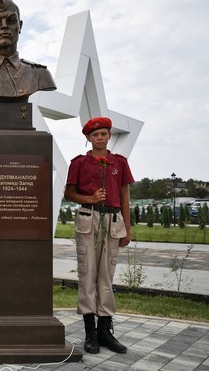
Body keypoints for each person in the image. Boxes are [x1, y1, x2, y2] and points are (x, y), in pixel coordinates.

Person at [64, 117, 134, 355]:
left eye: (104, 134)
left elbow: (124, 196)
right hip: (88, 219)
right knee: (88, 274)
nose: (100, 138)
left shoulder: (120, 163)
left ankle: (105, 331)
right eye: (95, 135)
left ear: (109, 136)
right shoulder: (79, 163)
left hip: (113, 221)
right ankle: (89, 333)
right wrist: (90, 199)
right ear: (88, 138)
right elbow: (69, 193)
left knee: (106, 275)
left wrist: (127, 227)